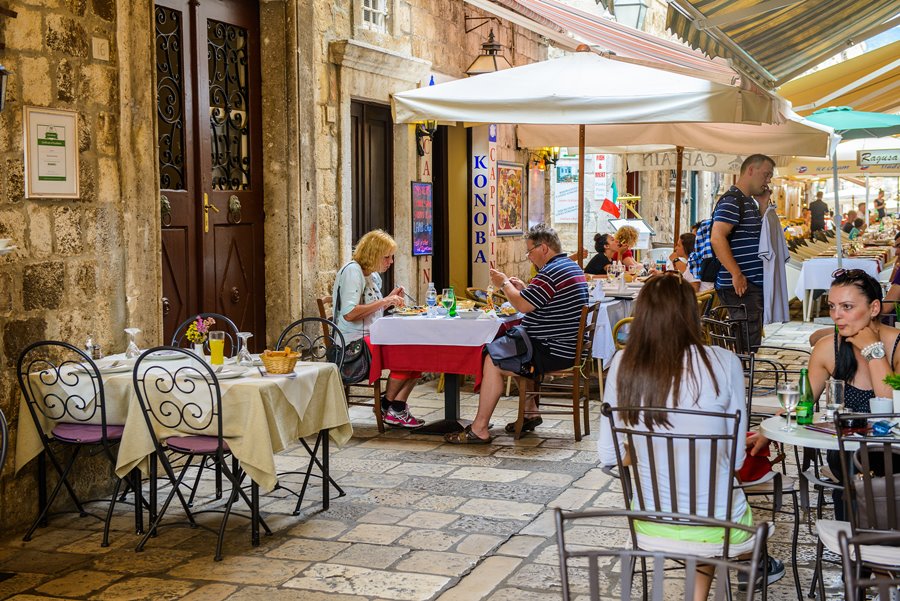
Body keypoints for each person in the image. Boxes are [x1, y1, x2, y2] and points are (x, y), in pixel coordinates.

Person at [598, 274, 784, 598]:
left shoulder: (621, 365)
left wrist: (646, 450)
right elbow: (737, 456)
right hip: (719, 523)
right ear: (691, 313)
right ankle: (719, 582)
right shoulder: (725, 363)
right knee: (712, 508)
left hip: (650, 518)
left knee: (698, 509)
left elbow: (609, 456)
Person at [444, 224, 589, 443]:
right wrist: (523, 289)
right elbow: (538, 300)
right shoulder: (570, 266)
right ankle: (530, 413)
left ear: (544, 248)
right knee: (515, 343)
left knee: (492, 357)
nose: (529, 256)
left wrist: (504, 284)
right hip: (563, 344)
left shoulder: (550, 272)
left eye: (529, 251)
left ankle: (480, 428)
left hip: (552, 348)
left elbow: (522, 306)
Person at [806, 269, 900, 516]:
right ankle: (854, 545)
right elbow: (802, 404)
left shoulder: (898, 346)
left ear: (874, 308)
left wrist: (873, 350)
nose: (837, 316)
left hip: (896, 458)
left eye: (847, 307)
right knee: (847, 460)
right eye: (832, 307)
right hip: (847, 459)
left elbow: (890, 407)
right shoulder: (828, 349)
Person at [332, 229, 423, 428]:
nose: (390, 262)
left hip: (371, 337)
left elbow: (371, 310)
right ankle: (391, 407)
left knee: (419, 353)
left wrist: (389, 298)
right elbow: (350, 313)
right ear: (373, 255)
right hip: (352, 346)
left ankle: (391, 406)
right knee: (408, 356)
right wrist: (385, 301)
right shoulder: (352, 272)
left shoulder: (372, 276)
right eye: (387, 257)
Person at [710, 153, 774, 351]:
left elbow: (761, 236)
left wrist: (763, 204)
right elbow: (717, 237)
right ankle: (743, 378)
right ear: (751, 170)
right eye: (766, 174)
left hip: (750, 282)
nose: (768, 180)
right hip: (739, 284)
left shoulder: (749, 202)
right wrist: (736, 273)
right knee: (745, 340)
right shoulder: (732, 201)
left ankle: (745, 376)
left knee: (751, 336)